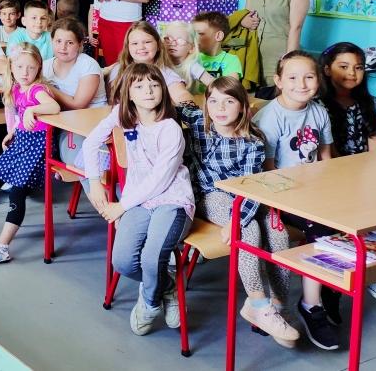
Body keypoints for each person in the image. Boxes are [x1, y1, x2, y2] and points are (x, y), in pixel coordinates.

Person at [179, 78, 298, 347]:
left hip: (246, 195)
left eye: (229, 101)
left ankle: (279, 306)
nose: (220, 108)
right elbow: (167, 106)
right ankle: (258, 303)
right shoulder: (199, 123)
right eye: (213, 101)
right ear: (206, 105)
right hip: (210, 195)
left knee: (278, 233)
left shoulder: (253, 141)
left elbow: (251, 187)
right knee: (248, 230)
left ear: (243, 107)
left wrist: (236, 217)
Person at [83, 63, 194, 336]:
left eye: (154, 85)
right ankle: (167, 286)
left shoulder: (170, 128)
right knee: (122, 261)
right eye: (140, 86)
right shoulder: (123, 116)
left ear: (163, 90)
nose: (149, 91)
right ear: (129, 93)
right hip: (139, 201)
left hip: (172, 200)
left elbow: (160, 179)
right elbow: (90, 143)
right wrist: (95, 183)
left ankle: (150, 303)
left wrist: (120, 206)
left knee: (152, 257)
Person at [253, 51, 340, 349]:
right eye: (292, 77)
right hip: (281, 196)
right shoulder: (270, 117)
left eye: (309, 77)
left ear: (318, 80)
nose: (301, 84)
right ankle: (311, 305)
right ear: (278, 81)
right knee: (321, 230)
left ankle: (328, 286)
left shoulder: (318, 111)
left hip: (314, 192)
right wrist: (304, 198)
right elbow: (268, 172)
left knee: (349, 222)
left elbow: (327, 158)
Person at [0, 43, 59, 265]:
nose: (25, 72)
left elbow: (53, 107)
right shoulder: (16, 89)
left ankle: (2, 247)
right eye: (20, 67)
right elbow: (20, 116)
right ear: (11, 67)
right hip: (20, 142)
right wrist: (13, 131)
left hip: (37, 147)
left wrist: (33, 109)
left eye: (31, 68)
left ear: (39, 68)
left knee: (17, 193)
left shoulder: (37, 90)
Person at [321, 43, 376, 303]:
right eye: (344, 66)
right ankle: (371, 277)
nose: (352, 73)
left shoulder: (364, 102)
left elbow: (374, 139)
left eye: (358, 67)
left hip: (364, 172)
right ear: (327, 69)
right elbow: (329, 153)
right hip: (338, 176)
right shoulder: (321, 106)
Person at [243, 0, 310, 97]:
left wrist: (289, 62)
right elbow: (245, 18)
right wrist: (243, 21)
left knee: (275, 100)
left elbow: (296, 28)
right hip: (252, 56)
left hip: (278, 56)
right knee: (251, 103)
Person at [42, 18, 108, 168]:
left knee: (82, 160)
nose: (63, 47)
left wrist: (47, 86)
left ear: (80, 44)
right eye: (58, 41)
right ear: (52, 41)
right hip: (63, 122)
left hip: (91, 122)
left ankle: (96, 182)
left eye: (70, 43)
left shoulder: (87, 65)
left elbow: (78, 104)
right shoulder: (45, 66)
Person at [106, 22, 192, 104]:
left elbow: (182, 95)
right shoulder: (119, 69)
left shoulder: (166, 73)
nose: (141, 47)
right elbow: (111, 101)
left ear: (158, 45)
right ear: (128, 47)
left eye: (147, 42)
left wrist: (188, 106)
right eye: (135, 43)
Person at [192, 12, 243, 85]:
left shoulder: (231, 60)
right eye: (192, 34)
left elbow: (230, 88)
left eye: (200, 34)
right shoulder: (192, 58)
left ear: (218, 36)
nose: (193, 38)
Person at [161, 21, 209, 94]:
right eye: (168, 39)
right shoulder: (161, 63)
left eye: (180, 40)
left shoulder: (192, 66)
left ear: (192, 48)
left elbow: (213, 83)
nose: (173, 43)